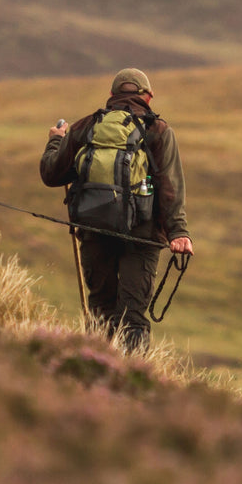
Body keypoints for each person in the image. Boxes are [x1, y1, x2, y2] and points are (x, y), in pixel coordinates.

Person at [41, 67, 194, 350]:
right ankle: (131, 381)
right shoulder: (158, 131)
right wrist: (178, 232)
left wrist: (56, 140)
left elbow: (51, 174)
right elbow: (170, 186)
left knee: (100, 308)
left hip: (93, 229)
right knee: (132, 318)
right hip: (142, 236)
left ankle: (90, 374)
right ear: (148, 97)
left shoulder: (86, 126)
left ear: (112, 96)